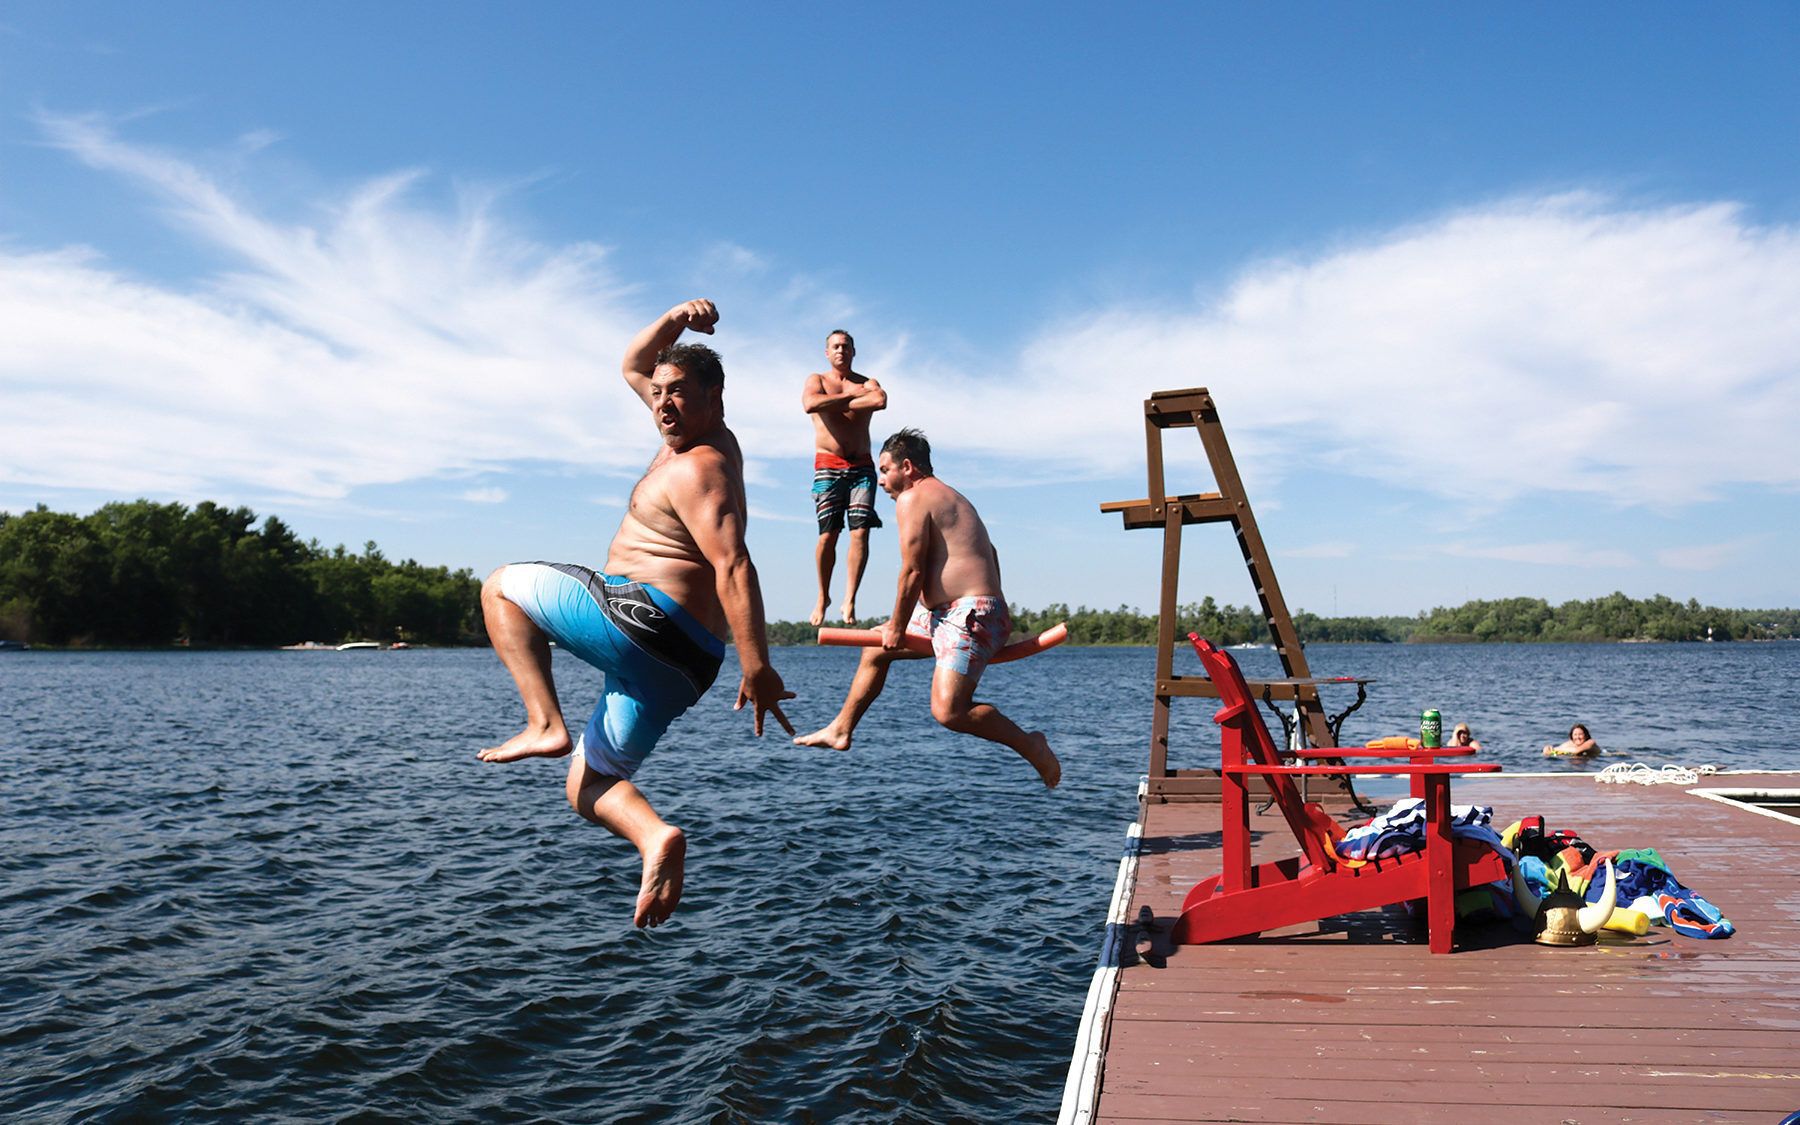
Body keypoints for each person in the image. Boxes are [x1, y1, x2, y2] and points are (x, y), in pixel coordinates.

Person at [477, 299, 795, 928]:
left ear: (716, 399)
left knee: (500, 588)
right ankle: (655, 837)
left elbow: (734, 563)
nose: (662, 404)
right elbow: (633, 362)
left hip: (643, 620)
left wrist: (759, 666)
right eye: (658, 395)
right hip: (684, 666)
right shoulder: (706, 442)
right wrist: (678, 319)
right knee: (586, 786)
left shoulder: (699, 467)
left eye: (678, 393)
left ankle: (544, 721)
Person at [794, 428, 1060, 789]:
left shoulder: (914, 497)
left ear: (907, 467)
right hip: (952, 613)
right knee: (874, 648)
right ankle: (841, 729)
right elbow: (991, 553)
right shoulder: (952, 498)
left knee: (948, 710)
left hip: (969, 614)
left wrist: (901, 624)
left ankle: (1031, 744)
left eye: (885, 470)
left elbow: (912, 571)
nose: (882, 481)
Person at [803, 330, 888, 626]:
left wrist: (836, 401)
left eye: (846, 346)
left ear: (854, 351)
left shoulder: (868, 382)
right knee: (828, 535)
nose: (841, 350)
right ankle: (822, 596)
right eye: (835, 346)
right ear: (827, 352)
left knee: (860, 533)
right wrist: (852, 396)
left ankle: (849, 598)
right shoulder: (817, 380)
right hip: (827, 465)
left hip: (862, 466)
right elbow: (810, 403)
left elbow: (879, 400)